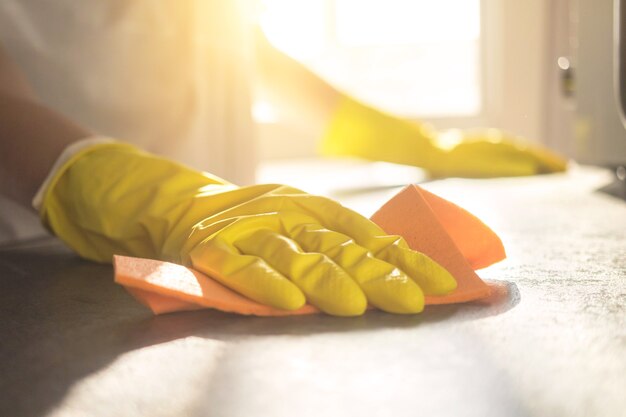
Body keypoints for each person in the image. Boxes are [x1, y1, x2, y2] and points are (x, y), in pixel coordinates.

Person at [0, 2, 566, 316]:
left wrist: (418, 146)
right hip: (49, 270)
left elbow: (269, 67)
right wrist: (159, 199)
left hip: (246, 257)